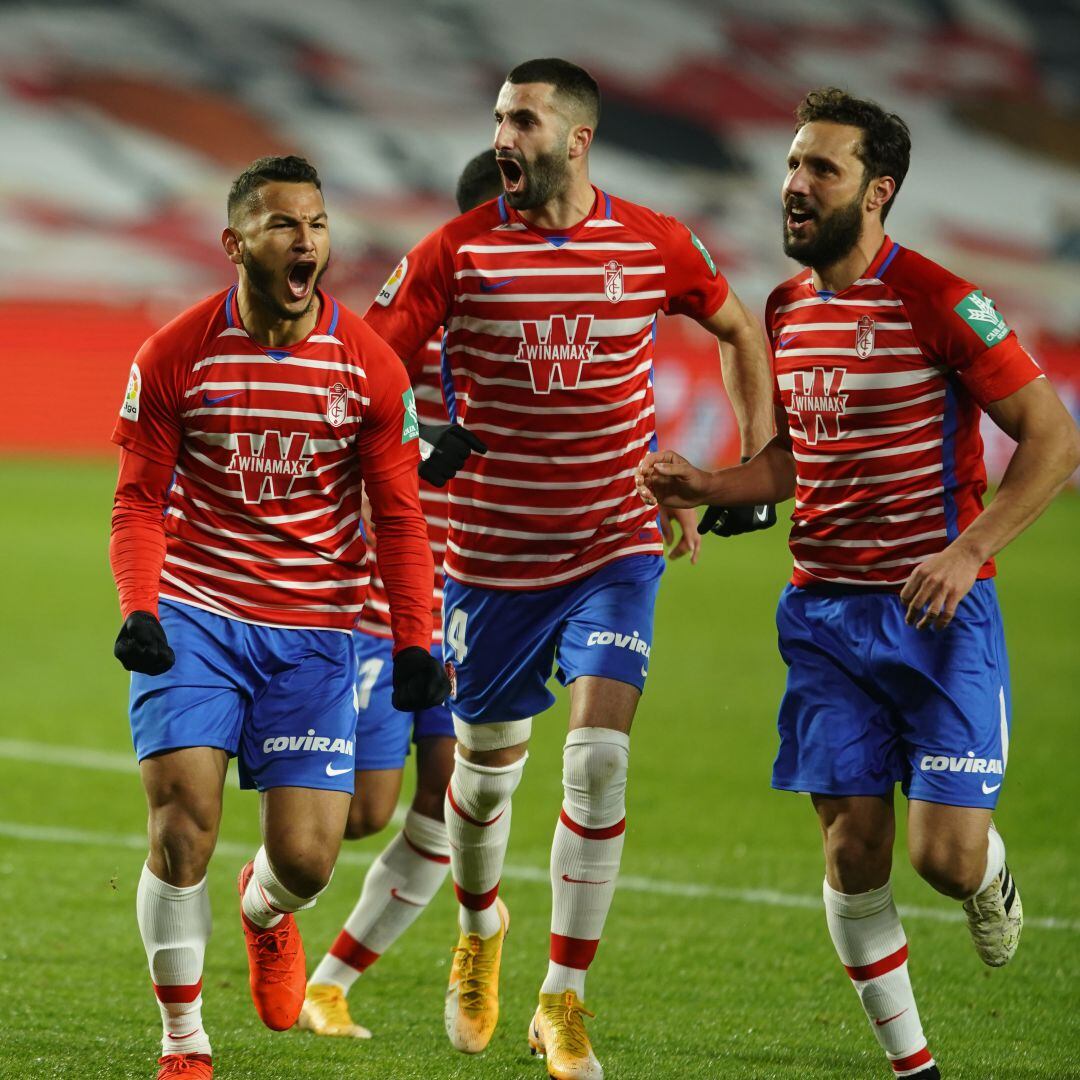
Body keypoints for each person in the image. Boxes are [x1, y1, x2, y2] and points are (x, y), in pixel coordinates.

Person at [636, 88, 1080, 1080]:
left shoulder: (939, 298)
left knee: (944, 860)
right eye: (794, 165)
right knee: (852, 851)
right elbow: (795, 463)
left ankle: (989, 876)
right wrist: (709, 481)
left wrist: (969, 550)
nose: (795, 186)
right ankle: (911, 1065)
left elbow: (1052, 439)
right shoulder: (789, 309)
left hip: (937, 614)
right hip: (825, 617)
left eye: (821, 169)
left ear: (877, 192)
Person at [364, 59, 772, 1080]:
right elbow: (363, 373)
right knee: (485, 781)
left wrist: (748, 471)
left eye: (525, 122)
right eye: (499, 119)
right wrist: (418, 440)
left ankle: (563, 998)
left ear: (578, 139)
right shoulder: (452, 254)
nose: (505, 138)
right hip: (493, 561)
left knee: (597, 760)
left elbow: (736, 327)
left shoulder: (651, 241)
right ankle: (478, 925)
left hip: (614, 548)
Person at [109, 155, 450, 1080]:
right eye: (283, 225)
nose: (307, 241)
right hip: (198, 615)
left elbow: (400, 515)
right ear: (236, 244)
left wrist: (413, 640)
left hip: (315, 632)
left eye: (317, 224)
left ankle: (264, 911)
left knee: (307, 859)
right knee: (182, 822)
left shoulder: (368, 367)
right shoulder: (175, 353)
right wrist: (141, 607)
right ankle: (184, 1044)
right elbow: (139, 500)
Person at [298, 149, 505, 1040]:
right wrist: (421, 451)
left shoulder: (552, 326)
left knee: (450, 793)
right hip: (389, 595)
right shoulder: (413, 305)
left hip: (488, 588)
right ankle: (271, 896)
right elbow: (340, 422)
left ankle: (336, 980)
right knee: (363, 814)